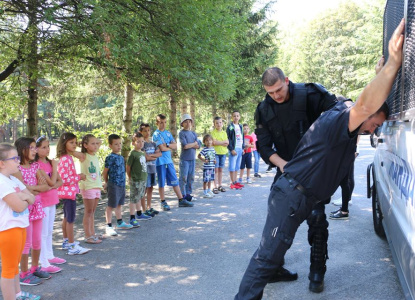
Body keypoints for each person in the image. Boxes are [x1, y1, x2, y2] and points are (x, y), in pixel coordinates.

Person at [235, 19, 404, 299]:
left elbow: (362, 104)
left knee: (309, 236)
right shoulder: (339, 121)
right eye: (375, 123)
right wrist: (392, 65)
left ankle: (316, 274)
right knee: (265, 259)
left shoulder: (327, 104)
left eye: (279, 90)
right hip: (291, 194)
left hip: (304, 195)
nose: (374, 130)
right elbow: (363, 105)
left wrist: (377, 77)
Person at [254, 64, 339, 292]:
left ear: (287, 81)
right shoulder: (263, 109)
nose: (276, 96)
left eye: (279, 90)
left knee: (317, 219)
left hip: (314, 169)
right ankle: (274, 268)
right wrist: (283, 165)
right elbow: (263, 146)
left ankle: (316, 273)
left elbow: (340, 109)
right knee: (276, 222)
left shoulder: (309, 94)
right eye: (270, 92)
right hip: (286, 169)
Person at [0, 143, 40, 300]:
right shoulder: (2, 182)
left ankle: (18, 294)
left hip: (19, 228)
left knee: (14, 266)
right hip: (9, 230)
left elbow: (32, 197)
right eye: (14, 158)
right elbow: (17, 206)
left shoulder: (12, 180)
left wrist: (25, 197)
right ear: (2, 163)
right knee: (9, 270)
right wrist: (24, 199)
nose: (18, 161)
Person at [13, 137, 52, 285]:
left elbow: (45, 187)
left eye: (35, 147)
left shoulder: (35, 166)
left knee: (37, 240)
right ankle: (23, 273)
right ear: (22, 149)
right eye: (32, 147)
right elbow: (22, 188)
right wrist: (33, 188)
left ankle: (34, 268)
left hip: (37, 206)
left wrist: (31, 189)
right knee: (26, 242)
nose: (34, 150)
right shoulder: (17, 169)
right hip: (25, 209)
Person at [56, 132, 90, 255]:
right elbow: (64, 180)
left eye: (75, 142)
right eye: (71, 142)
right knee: (70, 219)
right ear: (64, 143)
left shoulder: (67, 157)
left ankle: (66, 241)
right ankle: (71, 246)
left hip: (68, 193)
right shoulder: (65, 159)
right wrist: (79, 177)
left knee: (66, 217)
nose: (75, 145)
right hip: (68, 193)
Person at [35, 136, 66, 274]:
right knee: (43, 232)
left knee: (49, 230)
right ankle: (44, 262)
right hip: (42, 201)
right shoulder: (38, 165)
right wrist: (54, 168)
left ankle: (50, 255)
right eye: (43, 147)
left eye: (48, 146)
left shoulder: (49, 163)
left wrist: (52, 183)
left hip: (52, 199)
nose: (47, 149)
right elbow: (53, 182)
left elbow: (59, 182)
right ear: (36, 149)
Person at [152, 114, 193, 210]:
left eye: (165, 122)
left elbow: (175, 146)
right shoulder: (156, 134)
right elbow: (161, 148)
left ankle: (181, 199)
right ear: (157, 123)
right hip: (160, 162)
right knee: (161, 183)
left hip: (169, 161)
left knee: (175, 181)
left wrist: (167, 145)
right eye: (161, 122)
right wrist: (169, 146)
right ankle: (163, 202)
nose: (163, 124)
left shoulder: (168, 133)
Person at [72, 134, 103, 244]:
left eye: (96, 143)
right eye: (92, 144)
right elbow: (71, 151)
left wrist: (91, 142)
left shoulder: (94, 154)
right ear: (85, 145)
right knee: (88, 212)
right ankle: (87, 236)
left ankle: (92, 233)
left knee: (93, 212)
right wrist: (80, 143)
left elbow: (100, 142)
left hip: (97, 186)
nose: (96, 145)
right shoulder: (83, 156)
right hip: (88, 187)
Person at [102, 134, 134, 236]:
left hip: (121, 184)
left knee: (119, 204)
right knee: (111, 205)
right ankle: (108, 225)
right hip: (113, 184)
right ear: (110, 145)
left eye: (120, 143)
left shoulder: (121, 157)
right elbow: (105, 172)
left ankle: (120, 222)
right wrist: (107, 183)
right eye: (116, 144)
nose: (119, 146)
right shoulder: (110, 157)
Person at [127, 132, 151, 226]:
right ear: (133, 143)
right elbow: (128, 167)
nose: (141, 143)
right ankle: (132, 218)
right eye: (138, 142)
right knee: (133, 198)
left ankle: (139, 213)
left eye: (142, 141)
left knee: (139, 197)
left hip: (142, 179)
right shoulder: (133, 154)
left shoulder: (141, 153)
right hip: (135, 180)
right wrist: (129, 177)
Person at [139, 123, 161, 217]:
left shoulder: (153, 143)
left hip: (152, 169)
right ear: (141, 132)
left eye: (148, 130)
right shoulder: (141, 144)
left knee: (150, 188)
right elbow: (145, 157)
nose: (147, 132)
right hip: (145, 170)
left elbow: (159, 154)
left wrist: (150, 156)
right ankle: (143, 209)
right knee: (144, 189)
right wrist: (152, 156)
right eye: (145, 131)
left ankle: (149, 207)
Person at [179, 114, 200, 201]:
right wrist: (194, 144)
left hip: (192, 159)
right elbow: (185, 146)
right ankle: (182, 195)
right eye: (185, 122)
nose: (188, 123)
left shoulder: (193, 133)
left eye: (189, 122)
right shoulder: (182, 133)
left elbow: (198, 146)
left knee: (191, 177)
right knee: (184, 177)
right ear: (182, 124)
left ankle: (188, 193)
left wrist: (193, 145)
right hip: (184, 159)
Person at [227, 111, 244, 190]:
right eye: (234, 116)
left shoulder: (240, 126)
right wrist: (231, 149)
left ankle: (236, 181)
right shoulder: (230, 127)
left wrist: (243, 148)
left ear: (239, 117)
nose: (236, 117)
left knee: (237, 166)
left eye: (237, 116)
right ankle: (232, 182)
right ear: (232, 117)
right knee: (232, 166)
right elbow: (228, 139)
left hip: (240, 148)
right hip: (234, 149)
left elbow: (242, 137)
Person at [211, 116, 229, 193]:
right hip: (216, 153)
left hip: (223, 153)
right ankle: (214, 186)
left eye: (220, 122)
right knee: (215, 170)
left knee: (220, 170)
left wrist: (219, 142)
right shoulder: (213, 133)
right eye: (217, 123)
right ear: (214, 124)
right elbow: (214, 143)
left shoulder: (224, 133)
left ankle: (220, 185)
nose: (219, 124)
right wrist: (222, 143)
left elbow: (227, 142)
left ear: (222, 123)